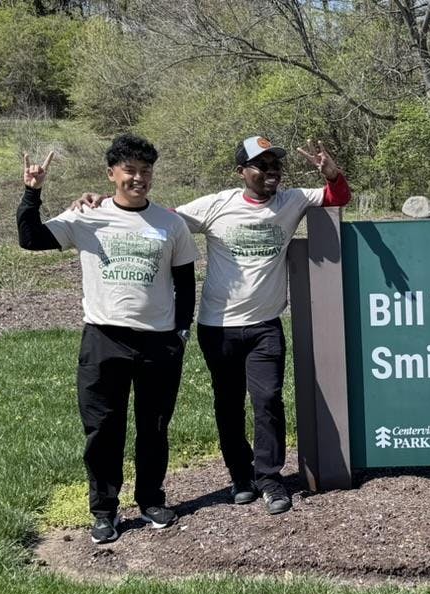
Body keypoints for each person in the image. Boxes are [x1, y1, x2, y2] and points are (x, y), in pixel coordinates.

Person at [76, 136, 351, 514]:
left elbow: (338, 198)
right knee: (228, 404)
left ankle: (270, 479)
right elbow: (154, 216)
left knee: (268, 400)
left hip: (265, 325)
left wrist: (333, 175)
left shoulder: (293, 200)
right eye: (261, 165)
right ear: (241, 172)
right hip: (218, 326)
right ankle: (241, 476)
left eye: (275, 164)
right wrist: (105, 201)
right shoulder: (217, 205)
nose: (271, 171)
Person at [17, 134, 199, 544]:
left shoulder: (170, 223)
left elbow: (185, 282)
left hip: (158, 342)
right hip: (104, 339)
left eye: (146, 171)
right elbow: (30, 239)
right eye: (129, 170)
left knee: (154, 427)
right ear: (111, 174)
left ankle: (151, 500)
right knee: (102, 429)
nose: (139, 178)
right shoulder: (86, 215)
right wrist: (32, 192)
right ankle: (104, 511)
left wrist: (181, 331)